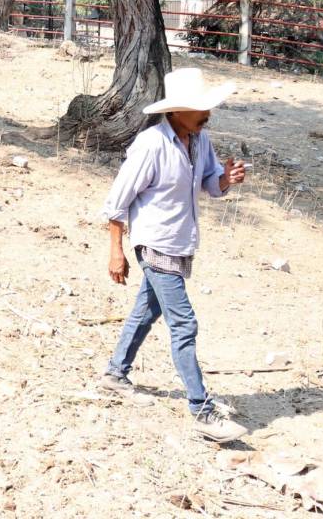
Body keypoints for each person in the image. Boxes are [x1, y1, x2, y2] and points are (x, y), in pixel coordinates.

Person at [97, 67, 248, 443]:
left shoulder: (200, 139)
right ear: (176, 111)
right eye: (199, 109)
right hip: (154, 242)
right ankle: (201, 409)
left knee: (147, 311)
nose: (206, 114)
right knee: (184, 323)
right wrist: (116, 251)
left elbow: (212, 184)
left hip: (180, 241)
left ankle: (115, 373)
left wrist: (227, 178)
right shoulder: (151, 145)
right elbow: (117, 202)